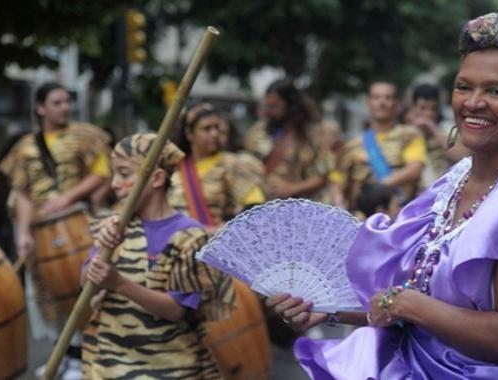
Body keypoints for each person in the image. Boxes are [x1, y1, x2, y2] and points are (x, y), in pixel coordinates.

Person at [267, 11, 498, 378]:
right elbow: (415, 289)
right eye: (464, 86)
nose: (473, 102)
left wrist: (406, 304)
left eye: (496, 91)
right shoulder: (458, 177)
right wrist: (325, 308)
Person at [81, 133, 234, 379]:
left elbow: (176, 310)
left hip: (170, 366)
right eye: (114, 175)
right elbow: (85, 286)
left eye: (125, 174)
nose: (114, 184)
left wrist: (118, 283)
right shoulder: (115, 226)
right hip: (110, 364)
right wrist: (102, 251)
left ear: (157, 178)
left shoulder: (189, 235)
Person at [0, 82, 111, 378]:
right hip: (40, 231)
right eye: (57, 102)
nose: (65, 107)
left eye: (67, 102)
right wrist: (22, 233)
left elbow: (102, 171)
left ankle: (80, 353)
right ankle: (60, 352)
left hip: (77, 224)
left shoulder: (84, 136)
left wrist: (69, 197)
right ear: (40, 108)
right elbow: (22, 192)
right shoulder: (24, 147)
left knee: (80, 286)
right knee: (44, 294)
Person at [169, 103, 265, 233]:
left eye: (217, 128)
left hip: (218, 242)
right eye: (206, 129)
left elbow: (255, 207)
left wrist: (223, 230)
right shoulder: (174, 168)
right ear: (189, 134)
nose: (214, 133)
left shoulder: (233, 164)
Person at [333, 81, 426, 210]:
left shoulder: (409, 135)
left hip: (399, 214)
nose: (382, 103)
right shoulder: (352, 144)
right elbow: (338, 180)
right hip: (360, 218)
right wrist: (340, 205)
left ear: (396, 104)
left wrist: (378, 190)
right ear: (368, 102)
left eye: (388, 98)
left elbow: (415, 169)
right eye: (376, 97)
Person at [244, 78, 332, 202]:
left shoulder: (310, 135)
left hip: (297, 207)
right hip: (261, 205)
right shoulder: (259, 131)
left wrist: (292, 188)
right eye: (267, 106)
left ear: (290, 105)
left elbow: (323, 177)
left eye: (274, 106)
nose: (268, 112)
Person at [405, 84, 468, 187]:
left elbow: (462, 158)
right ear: (413, 108)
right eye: (423, 108)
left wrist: (432, 128)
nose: (428, 114)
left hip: (441, 190)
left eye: (433, 109)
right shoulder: (405, 131)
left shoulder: (447, 128)